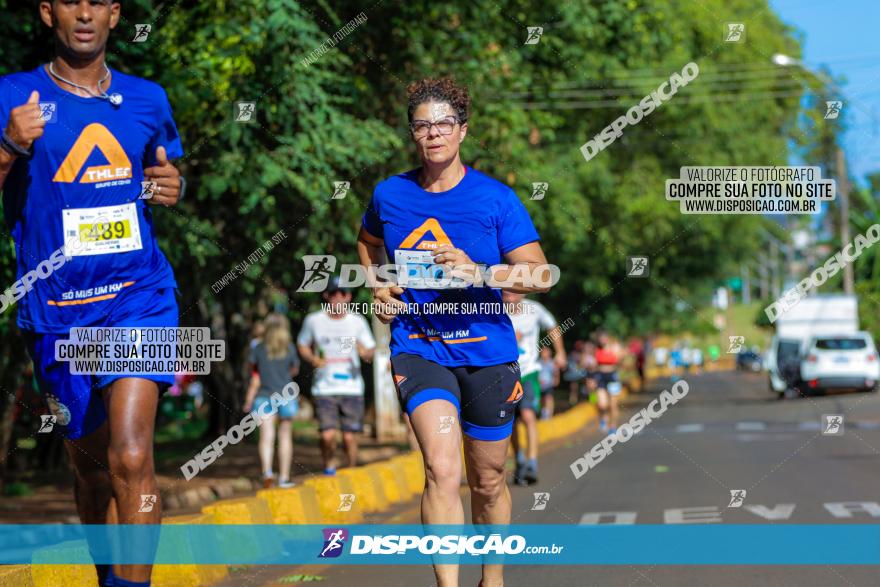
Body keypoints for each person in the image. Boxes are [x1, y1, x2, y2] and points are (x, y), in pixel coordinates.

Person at [0, 2, 184, 585]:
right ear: (48, 11)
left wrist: (170, 187)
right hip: (56, 310)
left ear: (113, 13)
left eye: (97, 1)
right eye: (71, 0)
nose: (84, 13)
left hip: (138, 296)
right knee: (93, 472)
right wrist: (10, 145)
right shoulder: (11, 94)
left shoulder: (148, 98)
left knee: (132, 456)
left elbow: (164, 178)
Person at [357, 77, 553, 587]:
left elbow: (541, 274)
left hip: (487, 354)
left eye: (443, 124)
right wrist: (379, 287)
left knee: (487, 480)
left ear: (462, 131)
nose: (432, 134)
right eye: (422, 126)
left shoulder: (495, 199)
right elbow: (367, 243)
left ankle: (493, 578)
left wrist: (480, 271)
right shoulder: (390, 195)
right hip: (420, 349)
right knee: (441, 470)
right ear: (413, 135)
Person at [296, 278, 375, 475]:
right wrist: (312, 358)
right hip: (324, 387)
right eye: (333, 293)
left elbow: (371, 350)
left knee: (349, 437)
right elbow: (302, 344)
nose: (338, 297)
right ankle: (329, 468)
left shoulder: (357, 321)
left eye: (342, 293)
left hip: (352, 387)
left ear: (349, 296)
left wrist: (365, 353)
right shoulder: (314, 320)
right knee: (327, 436)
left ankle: (351, 470)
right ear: (326, 296)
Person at [502, 291, 566, 486]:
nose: (509, 293)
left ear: (522, 292)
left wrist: (560, 353)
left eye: (514, 289)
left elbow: (552, 326)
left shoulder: (535, 309)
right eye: (505, 289)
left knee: (528, 415)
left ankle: (532, 462)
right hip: (503, 373)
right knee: (511, 421)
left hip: (529, 371)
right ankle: (519, 458)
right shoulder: (494, 309)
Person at [243, 314, 300, 488]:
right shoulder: (289, 348)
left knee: (266, 437)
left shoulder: (258, 348)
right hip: (286, 396)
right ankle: (283, 478)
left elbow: (254, 377)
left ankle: (267, 473)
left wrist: (248, 399)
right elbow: (294, 370)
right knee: (285, 436)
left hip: (263, 396)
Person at [593, 332, 622, 433]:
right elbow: (593, 364)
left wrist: (617, 353)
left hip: (612, 376)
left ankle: (613, 426)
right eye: (601, 338)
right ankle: (603, 418)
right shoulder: (596, 349)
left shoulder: (615, 347)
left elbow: (621, 361)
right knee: (602, 404)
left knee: (613, 405)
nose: (602, 340)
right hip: (600, 376)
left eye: (604, 337)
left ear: (608, 338)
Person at [537, 347, 559, 420]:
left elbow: (556, 372)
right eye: (543, 352)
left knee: (549, 398)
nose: (544, 354)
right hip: (540, 385)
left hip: (549, 384)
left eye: (546, 352)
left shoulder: (552, 363)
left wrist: (556, 379)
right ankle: (543, 413)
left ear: (549, 353)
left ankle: (550, 415)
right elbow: (536, 373)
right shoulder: (538, 362)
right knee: (542, 400)